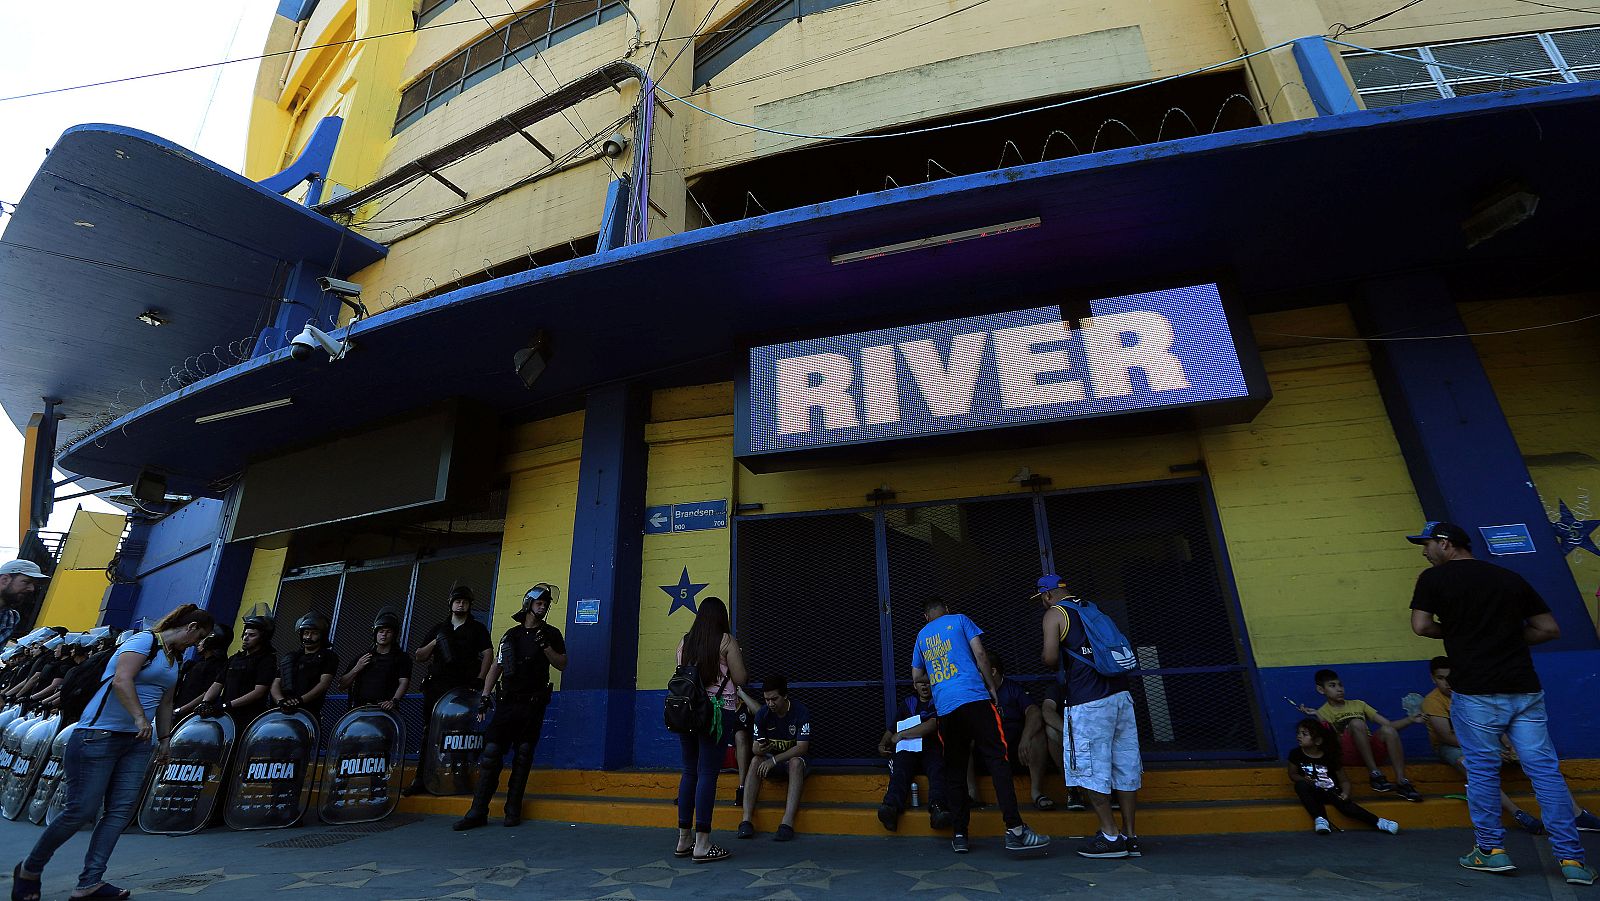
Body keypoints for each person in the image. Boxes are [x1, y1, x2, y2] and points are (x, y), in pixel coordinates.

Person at [1408, 521, 1596, 885]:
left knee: (1481, 772)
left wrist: (1462, 631)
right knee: (1545, 773)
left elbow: (1420, 626)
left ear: (1446, 544)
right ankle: (1573, 861)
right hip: (1524, 690)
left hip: (1476, 693)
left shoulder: (1433, 579)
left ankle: (1491, 851)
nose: (1424, 552)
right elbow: (1547, 629)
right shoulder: (1510, 577)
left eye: (1427, 544)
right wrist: (1504, 635)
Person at [12, 603, 213, 901]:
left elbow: (166, 702)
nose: (197, 644)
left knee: (118, 813)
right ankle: (30, 869)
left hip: (137, 743)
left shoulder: (174, 659)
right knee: (80, 811)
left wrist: (165, 738)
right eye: (198, 637)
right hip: (98, 736)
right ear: (191, 627)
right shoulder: (143, 641)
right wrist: (138, 718)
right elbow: (121, 679)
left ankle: (89, 883)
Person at [916, 595, 1049, 855]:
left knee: (954, 769)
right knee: (997, 760)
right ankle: (1015, 829)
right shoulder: (961, 620)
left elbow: (916, 676)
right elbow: (980, 654)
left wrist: (940, 674)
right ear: (947, 609)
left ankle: (960, 834)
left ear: (926, 616)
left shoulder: (921, 636)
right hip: (975, 699)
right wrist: (990, 686)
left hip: (946, 708)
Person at [1422, 655, 1600, 835]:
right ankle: (1519, 814)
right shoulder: (1433, 701)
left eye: (1449, 677)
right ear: (1433, 678)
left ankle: (1576, 814)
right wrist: (1489, 750)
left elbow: (1494, 724)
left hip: (1484, 742)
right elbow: (1446, 736)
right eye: (1440, 678)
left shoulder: (1470, 693)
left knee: (1536, 758)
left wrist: (1510, 746)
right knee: (1468, 764)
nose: (1447, 683)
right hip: (1452, 746)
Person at [1037, 574, 1140, 859]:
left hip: (1088, 701)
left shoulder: (1055, 614)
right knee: (1125, 765)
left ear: (1046, 596)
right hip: (1121, 696)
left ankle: (1110, 835)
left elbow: (1049, 658)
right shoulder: (1092, 609)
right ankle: (1130, 836)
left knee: (1090, 769)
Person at [453, 583, 566, 831]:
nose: (543, 606)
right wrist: (485, 694)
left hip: (533, 705)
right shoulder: (511, 635)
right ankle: (477, 811)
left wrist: (545, 645)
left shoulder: (552, 633)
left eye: (546, 603)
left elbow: (562, 664)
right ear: (528, 604)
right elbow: (498, 666)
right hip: (507, 703)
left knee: (523, 756)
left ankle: (512, 809)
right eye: (539, 602)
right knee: (491, 754)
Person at [672, 596, 746, 863]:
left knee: (689, 771)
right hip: (717, 713)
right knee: (707, 774)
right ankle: (703, 843)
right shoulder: (726, 641)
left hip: (688, 713)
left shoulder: (685, 641)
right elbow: (740, 678)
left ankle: (684, 839)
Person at [403, 585, 493, 796]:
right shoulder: (439, 627)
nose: (460, 603)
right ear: (451, 603)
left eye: (464, 601)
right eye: (457, 600)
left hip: (462, 688)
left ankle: (458, 776)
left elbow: (488, 653)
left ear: (469, 604)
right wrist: (437, 640)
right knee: (429, 733)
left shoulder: (476, 628)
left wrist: (480, 679)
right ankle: (422, 779)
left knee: (459, 733)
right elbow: (419, 656)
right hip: (437, 687)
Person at [1297, 669, 1424, 802]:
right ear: (1321, 690)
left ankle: (1402, 781)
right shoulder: (1323, 711)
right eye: (1332, 686)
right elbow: (1331, 741)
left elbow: (1389, 724)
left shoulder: (1358, 704)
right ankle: (1374, 774)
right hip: (1348, 754)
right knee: (1357, 723)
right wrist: (1318, 716)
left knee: (1388, 730)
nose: (1339, 689)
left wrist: (1410, 719)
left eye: (1340, 685)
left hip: (1369, 750)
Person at [1288, 718, 1400, 835]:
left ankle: (1379, 822)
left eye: (1304, 734)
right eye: (1298, 733)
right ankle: (1320, 819)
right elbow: (1293, 774)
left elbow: (1344, 781)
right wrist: (1304, 780)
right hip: (1313, 791)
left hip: (1332, 791)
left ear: (1318, 741)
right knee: (1300, 786)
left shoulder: (1330, 757)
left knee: (1347, 808)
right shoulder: (1296, 754)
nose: (1299, 736)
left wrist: (1345, 793)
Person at [736, 674, 813, 842]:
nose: (770, 703)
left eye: (774, 699)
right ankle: (746, 820)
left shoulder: (800, 711)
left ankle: (787, 823)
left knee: (795, 762)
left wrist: (774, 760)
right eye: (766, 699)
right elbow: (756, 748)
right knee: (756, 760)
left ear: (785, 696)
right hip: (772, 763)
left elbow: (802, 748)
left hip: (794, 764)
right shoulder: (762, 714)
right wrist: (758, 748)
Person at [877, 672, 951, 831]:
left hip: (931, 749)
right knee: (900, 768)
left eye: (928, 682)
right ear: (914, 685)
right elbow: (892, 728)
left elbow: (932, 725)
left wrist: (902, 734)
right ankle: (890, 807)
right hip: (909, 750)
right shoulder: (908, 703)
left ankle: (938, 809)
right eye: (921, 683)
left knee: (937, 768)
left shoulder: (939, 702)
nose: (924, 686)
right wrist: (883, 743)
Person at [986, 654, 1057, 810]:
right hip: (989, 751)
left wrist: (1025, 738)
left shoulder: (1012, 688)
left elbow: (1034, 711)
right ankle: (972, 794)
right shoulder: (976, 692)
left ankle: (1036, 793)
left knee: (1037, 734)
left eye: (980, 669)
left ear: (992, 671)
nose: (976, 673)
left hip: (1017, 751)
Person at [199, 612, 276, 728]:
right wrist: (205, 702)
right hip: (225, 717)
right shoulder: (235, 658)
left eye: (252, 635)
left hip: (249, 719)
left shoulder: (266, 660)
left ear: (263, 638)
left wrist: (227, 705)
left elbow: (259, 691)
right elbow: (217, 683)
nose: (245, 638)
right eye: (245, 634)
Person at [338, 607, 412, 710]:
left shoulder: (401, 658)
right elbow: (341, 685)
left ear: (394, 635)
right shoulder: (363, 657)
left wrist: (394, 701)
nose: (384, 635)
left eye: (388, 632)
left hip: (384, 709)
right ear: (375, 633)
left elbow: (404, 682)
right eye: (381, 631)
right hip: (360, 709)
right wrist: (357, 668)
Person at [271, 611, 339, 716]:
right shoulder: (290, 657)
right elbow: (276, 682)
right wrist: (280, 701)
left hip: (308, 712)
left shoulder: (328, 657)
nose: (308, 637)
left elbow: (324, 684)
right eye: (306, 633)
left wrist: (300, 700)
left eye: (314, 633)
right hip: (280, 711)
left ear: (322, 635)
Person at [173, 626, 230, 720]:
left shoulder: (216, 665)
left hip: (191, 716)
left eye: (203, 638)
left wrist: (180, 710)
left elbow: (207, 693)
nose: (199, 642)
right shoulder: (198, 663)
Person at [0, 560, 50, 645]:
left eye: (34, 584)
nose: (32, 589)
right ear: (5, 580)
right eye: (27, 582)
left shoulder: (11, 617)